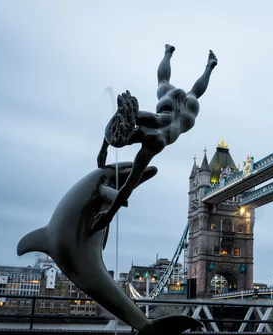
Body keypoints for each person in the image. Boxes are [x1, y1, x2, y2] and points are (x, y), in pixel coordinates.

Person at [92, 44, 217, 232]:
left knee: (190, 92)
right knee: (164, 82)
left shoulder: (154, 143)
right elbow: (120, 119)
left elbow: (129, 186)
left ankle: (205, 64)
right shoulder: (141, 118)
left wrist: (109, 216)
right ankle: (179, 55)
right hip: (172, 106)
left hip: (185, 115)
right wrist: (104, 147)